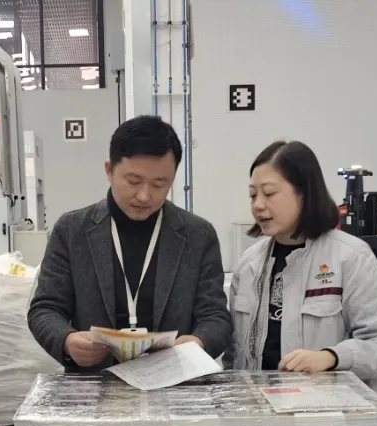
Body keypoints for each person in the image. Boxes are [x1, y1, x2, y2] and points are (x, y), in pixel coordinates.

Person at [28, 115, 232, 372]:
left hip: (174, 384)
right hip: (94, 384)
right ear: (109, 171)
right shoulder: (71, 231)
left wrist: (198, 342)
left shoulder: (198, 235)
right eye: (134, 182)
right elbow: (45, 309)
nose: (145, 196)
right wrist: (67, 341)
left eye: (159, 184)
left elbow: (215, 316)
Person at [224, 140, 377, 394]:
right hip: (260, 408)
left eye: (269, 193)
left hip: (330, 410)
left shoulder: (351, 258)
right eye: (253, 195)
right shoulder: (249, 264)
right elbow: (234, 352)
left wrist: (331, 357)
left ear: (304, 194)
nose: (258, 205)